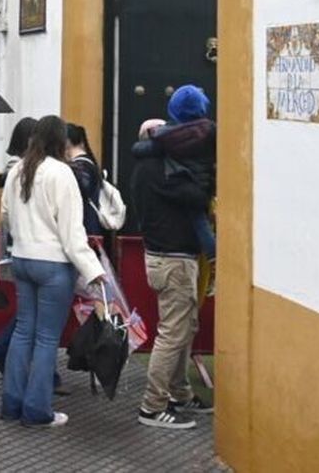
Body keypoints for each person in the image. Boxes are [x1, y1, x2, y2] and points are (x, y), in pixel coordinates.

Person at [0, 115, 105, 427]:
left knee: (23, 332)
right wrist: (94, 272)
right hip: (54, 266)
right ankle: (37, 411)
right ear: (61, 141)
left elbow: (5, 214)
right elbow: (73, 234)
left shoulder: (18, 170)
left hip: (22, 259)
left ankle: (11, 404)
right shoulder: (62, 173)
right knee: (46, 339)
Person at [131, 117, 211, 430]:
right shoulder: (158, 169)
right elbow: (196, 197)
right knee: (172, 334)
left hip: (166, 258)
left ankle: (179, 392)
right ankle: (152, 406)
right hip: (173, 261)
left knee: (184, 328)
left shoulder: (143, 168)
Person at [133, 84, 216, 259]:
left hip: (184, 179)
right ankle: (213, 253)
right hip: (202, 182)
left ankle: (212, 253)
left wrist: (137, 148)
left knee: (196, 218)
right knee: (200, 219)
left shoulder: (168, 136)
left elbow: (150, 147)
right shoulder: (209, 131)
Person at [0, 116, 41, 375]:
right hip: (19, 245)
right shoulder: (17, 168)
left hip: (22, 245)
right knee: (30, 312)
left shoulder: (22, 167)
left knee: (30, 311)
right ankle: (2, 352)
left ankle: (7, 355)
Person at [66, 124, 105, 239]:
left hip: (85, 227)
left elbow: (82, 191)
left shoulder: (81, 166)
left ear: (66, 141)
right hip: (89, 226)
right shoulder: (88, 163)